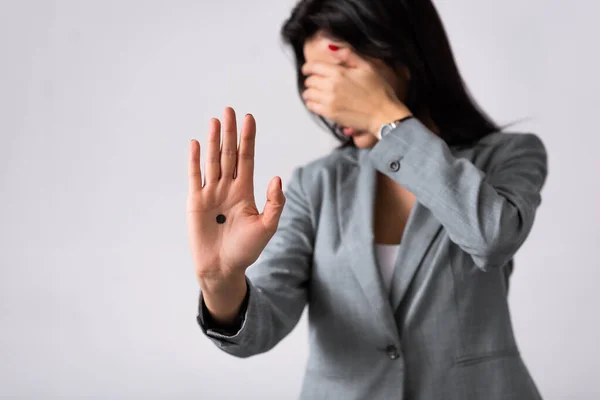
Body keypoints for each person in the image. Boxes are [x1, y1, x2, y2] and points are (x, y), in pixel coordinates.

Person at [187, 0, 547, 399]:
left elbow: (491, 237)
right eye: (314, 80)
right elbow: (262, 324)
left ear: (402, 54)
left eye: (341, 72)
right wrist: (220, 281)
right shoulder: (316, 184)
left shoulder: (507, 156)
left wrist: (386, 119)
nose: (326, 99)